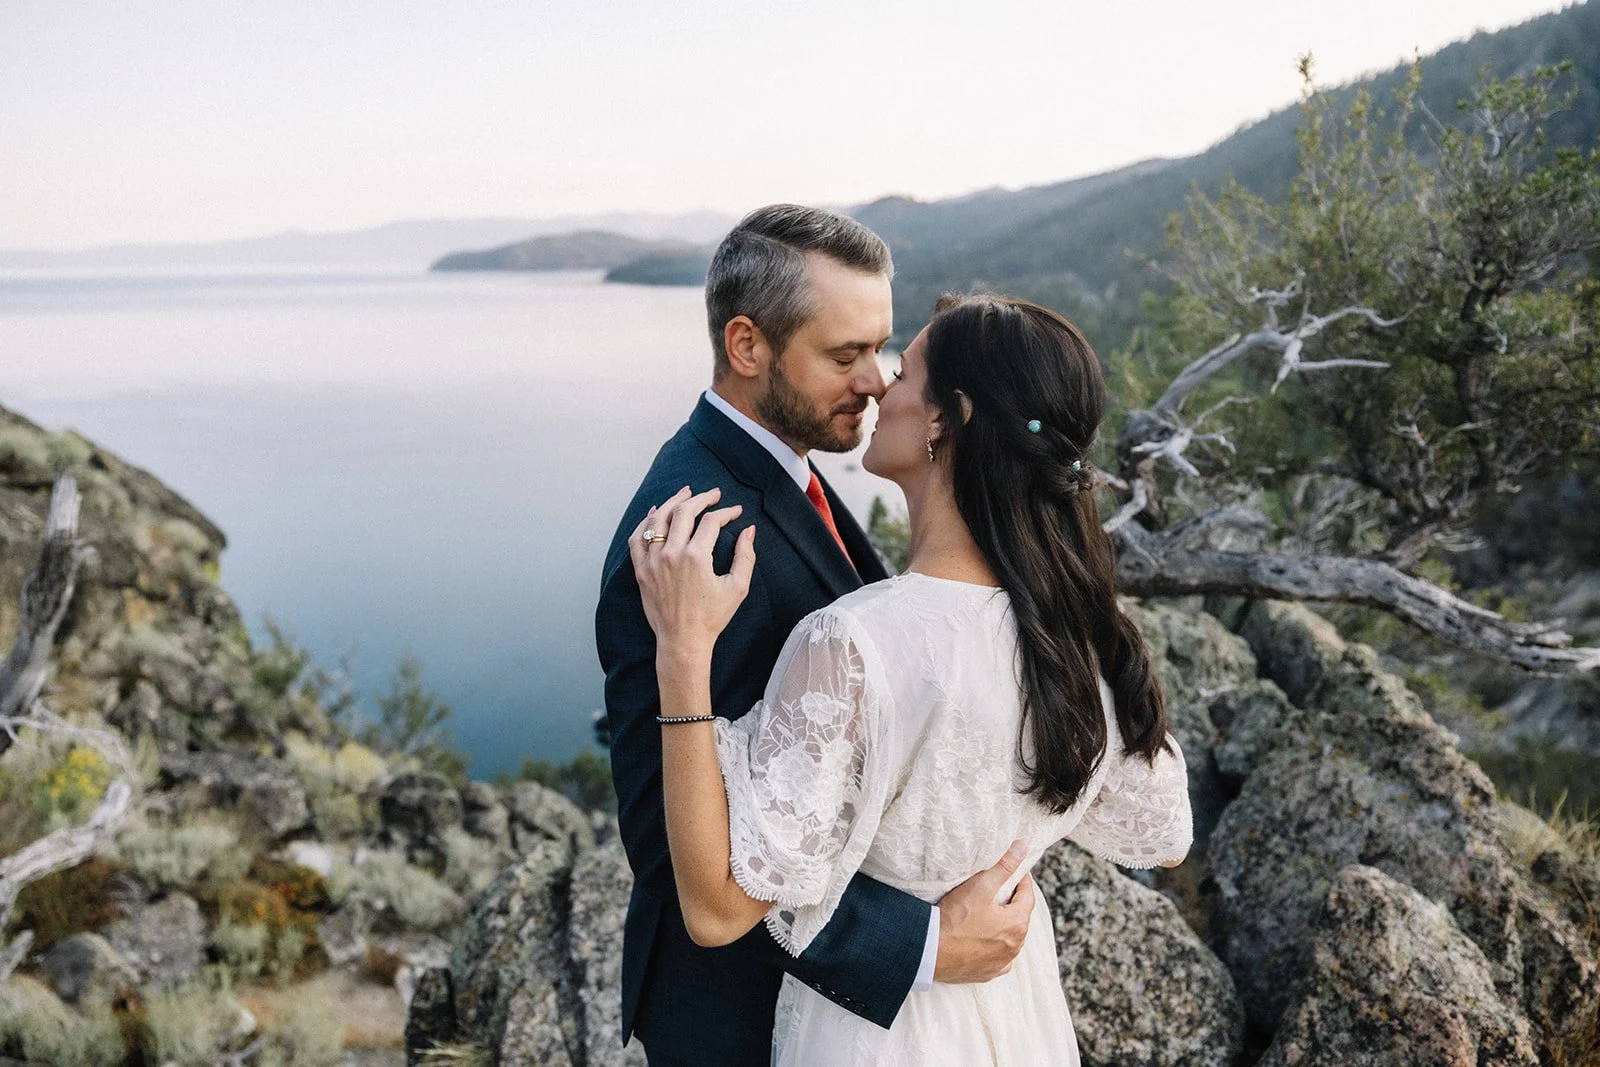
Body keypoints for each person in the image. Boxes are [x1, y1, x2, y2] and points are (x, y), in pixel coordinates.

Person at [628, 291, 1194, 1064]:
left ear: (944, 417)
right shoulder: (1081, 634)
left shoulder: (852, 641)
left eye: (900, 371)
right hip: (1009, 1010)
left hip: (874, 1034)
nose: (875, 387)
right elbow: (1162, 835)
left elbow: (719, 908)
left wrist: (683, 654)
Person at [596, 206, 1037, 1066]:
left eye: (881, 347)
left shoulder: (789, 470)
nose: (876, 380)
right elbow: (674, 851)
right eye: (845, 356)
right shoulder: (699, 539)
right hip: (742, 1023)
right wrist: (924, 944)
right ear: (748, 345)